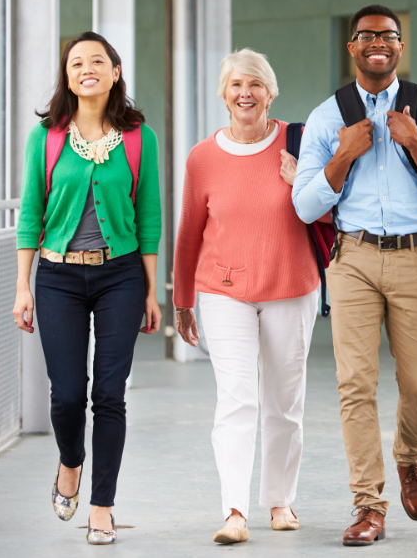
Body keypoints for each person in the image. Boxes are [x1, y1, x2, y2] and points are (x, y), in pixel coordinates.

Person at [292, 4, 417, 546]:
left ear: (399, 46)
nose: (378, 43)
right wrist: (342, 157)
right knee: (355, 386)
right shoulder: (329, 117)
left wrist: (416, 142)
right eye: (366, 35)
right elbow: (303, 204)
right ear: (352, 47)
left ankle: (410, 457)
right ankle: (368, 504)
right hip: (355, 259)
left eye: (388, 36)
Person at [12, 31, 162, 545]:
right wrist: (22, 285)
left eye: (98, 60)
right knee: (68, 395)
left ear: (115, 72)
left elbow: (149, 215)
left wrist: (149, 289)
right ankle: (70, 461)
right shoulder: (46, 137)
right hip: (57, 278)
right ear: (68, 76)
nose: (87, 68)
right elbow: (31, 212)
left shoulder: (139, 137)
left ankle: (101, 506)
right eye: (77, 62)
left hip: (120, 275)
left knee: (110, 395)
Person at [173, 49, 322, 545]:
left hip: (291, 285)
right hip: (224, 291)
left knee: (285, 400)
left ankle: (280, 500)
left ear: (270, 92)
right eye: (237, 84)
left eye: (255, 84)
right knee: (237, 399)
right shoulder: (203, 157)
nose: (245, 93)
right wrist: (182, 299)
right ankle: (234, 510)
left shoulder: (301, 145)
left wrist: (301, 180)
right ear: (223, 94)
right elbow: (190, 231)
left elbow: (333, 216)